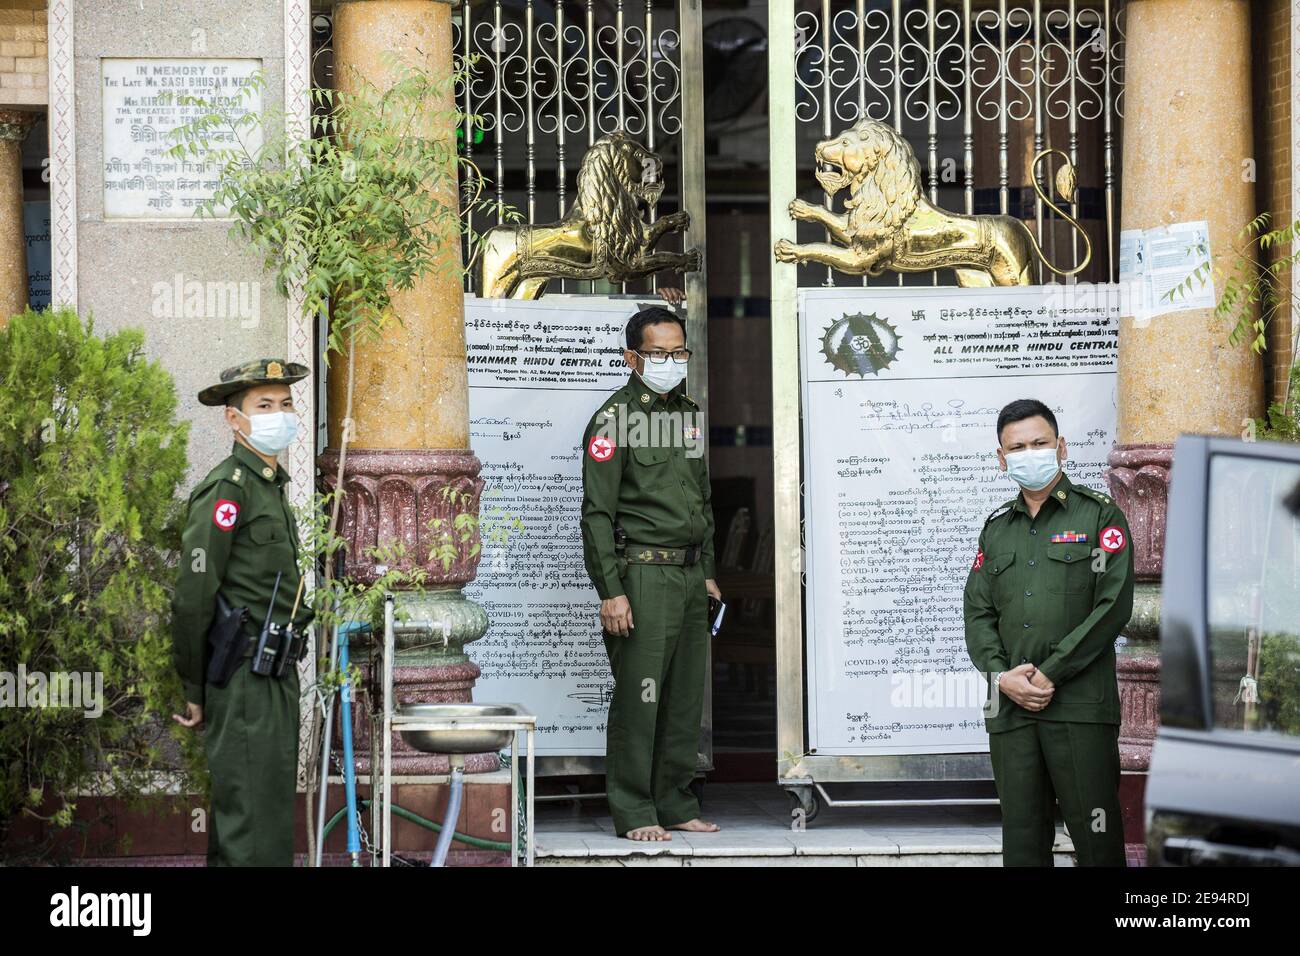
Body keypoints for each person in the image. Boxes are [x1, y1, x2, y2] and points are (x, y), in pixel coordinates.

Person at [963, 398, 1134, 866]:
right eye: (1016, 447)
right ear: (1002, 458)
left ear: (1061, 447)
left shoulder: (1098, 517)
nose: (1029, 453)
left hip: (1079, 707)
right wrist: (1002, 677)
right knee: (1021, 838)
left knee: (1095, 834)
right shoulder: (997, 529)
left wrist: (1051, 672)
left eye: (1039, 443)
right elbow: (977, 614)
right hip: (1011, 709)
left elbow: (1111, 607)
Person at [580, 306, 722, 842]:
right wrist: (610, 591)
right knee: (641, 697)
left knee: (685, 698)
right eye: (658, 354)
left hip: (688, 578)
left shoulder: (687, 414)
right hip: (641, 577)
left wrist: (706, 571)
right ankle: (635, 810)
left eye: (678, 352)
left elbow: (701, 498)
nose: (670, 362)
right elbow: (597, 512)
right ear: (632, 358)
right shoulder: (613, 421)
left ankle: (675, 801)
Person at [170, 358, 315, 866]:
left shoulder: (268, 486)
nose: (281, 415)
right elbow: (192, 597)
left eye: (286, 404)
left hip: (275, 676)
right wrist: (194, 688)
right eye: (264, 406)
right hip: (244, 677)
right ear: (234, 419)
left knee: (263, 819)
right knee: (252, 833)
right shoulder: (228, 490)